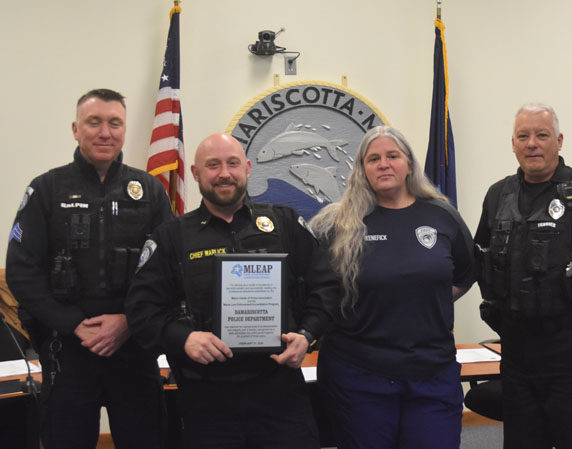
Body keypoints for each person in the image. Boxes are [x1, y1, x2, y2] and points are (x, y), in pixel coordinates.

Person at [125, 132, 338, 449]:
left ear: (248, 168)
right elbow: (141, 310)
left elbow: (328, 287)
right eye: (212, 165)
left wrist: (307, 334)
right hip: (206, 402)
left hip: (280, 397)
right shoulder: (171, 237)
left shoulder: (285, 224)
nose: (224, 173)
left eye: (232, 163)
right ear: (196, 173)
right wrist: (184, 338)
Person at [6, 88, 173, 449]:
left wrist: (128, 322)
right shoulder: (46, 189)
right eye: (94, 122)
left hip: (133, 344)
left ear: (124, 130)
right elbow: (21, 271)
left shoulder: (150, 190)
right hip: (67, 347)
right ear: (75, 128)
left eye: (115, 123)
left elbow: (168, 270)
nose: (105, 132)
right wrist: (73, 324)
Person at [474, 102, 572, 449]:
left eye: (542, 135)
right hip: (517, 351)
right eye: (524, 136)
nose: (532, 143)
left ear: (559, 140)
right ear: (513, 143)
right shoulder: (498, 195)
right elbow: (479, 261)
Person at [309, 125, 474, 449]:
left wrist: (421, 298)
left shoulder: (441, 215)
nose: (383, 164)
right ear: (361, 170)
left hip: (432, 374)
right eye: (373, 159)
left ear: (409, 164)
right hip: (359, 376)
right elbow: (319, 292)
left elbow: (465, 274)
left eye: (392, 156)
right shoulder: (335, 225)